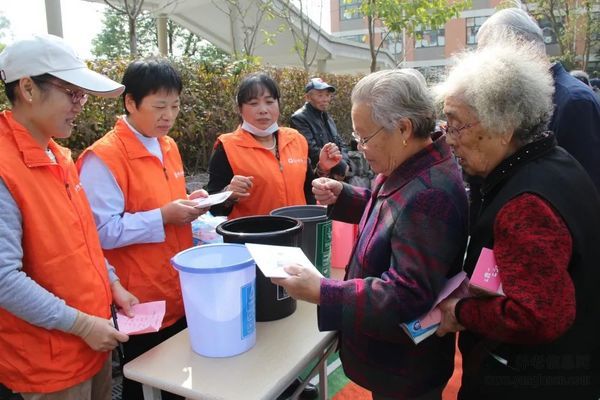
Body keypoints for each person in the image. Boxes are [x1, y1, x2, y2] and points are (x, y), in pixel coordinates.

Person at [273, 69, 469, 399]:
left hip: (405, 369)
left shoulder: (430, 192)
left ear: (404, 128)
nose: (360, 148)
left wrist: (324, 291)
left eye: (365, 137)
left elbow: (406, 295)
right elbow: (396, 215)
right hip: (395, 359)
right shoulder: (409, 163)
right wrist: (345, 195)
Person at [434, 41, 600, 399]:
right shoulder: (555, 161)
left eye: (457, 125)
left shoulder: (525, 204)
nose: (450, 139)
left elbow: (539, 316)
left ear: (504, 127)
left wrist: (462, 311)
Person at [0, 34, 137, 399]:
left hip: (91, 344)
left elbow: (84, 238)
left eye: (83, 95)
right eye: (72, 93)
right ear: (28, 88)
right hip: (48, 364)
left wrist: (113, 285)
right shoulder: (4, 167)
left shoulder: (59, 156)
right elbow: (3, 278)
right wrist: (80, 324)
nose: (80, 105)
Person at [77, 59, 208, 400]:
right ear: (131, 103)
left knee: (184, 379)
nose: (169, 116)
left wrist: (189, 203)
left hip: (179, 287)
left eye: (175, 106)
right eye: (159, 106)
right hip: (139, 297)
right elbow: (98, 232)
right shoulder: (103, 158)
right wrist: (163, 216)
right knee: (145, 382)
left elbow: (165, 200)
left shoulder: (168, 145)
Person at [476, 6, 600, 192]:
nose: (487, 69)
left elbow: (585, 190)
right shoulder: (533, 99)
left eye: (490, 57)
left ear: (520, 46)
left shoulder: (574, 102)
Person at [205, 72, 342, 219]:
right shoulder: (227, 146)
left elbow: (307, 189)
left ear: (278, 104)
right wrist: (229, 193)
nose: (263, 110)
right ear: (240, 108)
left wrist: (322, 169)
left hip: (299, 232)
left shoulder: (296, 139)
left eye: (269, 102)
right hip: (255, 238)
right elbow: (213, 207)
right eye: (253, 103)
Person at [290, 77, 351, 181]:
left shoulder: (327, 116)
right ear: (308, 97)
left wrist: (345, 164)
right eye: (320, 95)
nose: (325, 99)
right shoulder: (299, 118)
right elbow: (311, 150)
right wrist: (340, 167)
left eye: (327, 95)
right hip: (316, 177)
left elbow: (341, 143)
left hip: (337, 177)